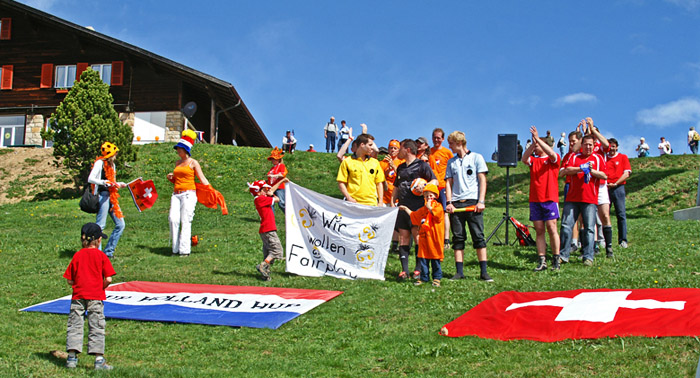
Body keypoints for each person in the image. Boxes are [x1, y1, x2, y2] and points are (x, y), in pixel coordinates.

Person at [63, 223, 116, 370]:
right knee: (96, 325)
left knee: (75, 324)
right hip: (95, 296)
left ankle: (72, 357)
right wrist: (101, 286)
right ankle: (99, 359)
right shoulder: (101, 256)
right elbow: (109, 278)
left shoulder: (77, 255)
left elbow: (69, 279)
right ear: (99, 240)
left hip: (78, 296)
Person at [444, 131, 493, 282]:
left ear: (459, 143)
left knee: (478, 236)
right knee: (458, 238)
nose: (449, 146)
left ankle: (484, 272)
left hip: (473, 203)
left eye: (451, 143)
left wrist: (481, 201)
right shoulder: (452, 162)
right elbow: (448, 182)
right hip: (457, 204)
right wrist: (449, 202)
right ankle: (459, 272)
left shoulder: (477, 158)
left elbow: (482, 180)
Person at [392, 139, 437, 280]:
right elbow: (396, 186)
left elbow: (434, 181)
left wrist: (424, 186)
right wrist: (393, 201)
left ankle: (418, 269)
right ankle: (404, 271)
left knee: (417, 236)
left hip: (417, 208)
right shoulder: (400, 167)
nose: (399, 151)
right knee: (403, 237)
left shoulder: (422, 165)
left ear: (408, 150)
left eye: (401, 148)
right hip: (402, 207)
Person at [558, 134, 607, 266]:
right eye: (586, 144)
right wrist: (581, 168)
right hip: (573, 197)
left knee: (589, 228)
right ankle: (563, 255)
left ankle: (588, 257)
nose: (588, 147)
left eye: (591, 144)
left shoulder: (598, 158)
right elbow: (565, 171)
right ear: (582, 145)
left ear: (594, 145)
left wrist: (591, 171)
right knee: (566, 226)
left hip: (590, 198)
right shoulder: (574, 157)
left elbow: (604, 175)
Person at [522, 125, 561, 271]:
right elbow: (524, 159)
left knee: (552, 228)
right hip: (535, 199)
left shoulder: (553, 159)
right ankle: (542, 260)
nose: (536, 147)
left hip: (550, 199)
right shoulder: (534, 160)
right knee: (539, 229)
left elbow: (551, 154)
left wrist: (539, 139)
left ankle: (556, 259)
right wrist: (533, 144)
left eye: (538, 145)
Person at [166, 130, 210, 256]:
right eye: (177, 149)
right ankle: (175, 249)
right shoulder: (177, 163)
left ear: (186, 150)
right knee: (173, 219)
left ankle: (184, 250)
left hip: (188, 194)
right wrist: (172, 179)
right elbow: (177, 180)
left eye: (180, 149)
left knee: (185, 220)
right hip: (176, 194)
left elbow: (202, 178)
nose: (178, 151)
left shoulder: (193, 162)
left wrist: (211, 191)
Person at [399, 183, 444, 287]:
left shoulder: (438, 207)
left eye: (431, 195)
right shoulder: (423, 209)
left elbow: (437, 216)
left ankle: (437, 278)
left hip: (434, 239)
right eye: (426, 196)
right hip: (424, 239)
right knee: (423, 259)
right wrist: (405, 209)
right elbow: (414, 216)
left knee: (435, 258)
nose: (429, 198)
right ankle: (424, 277)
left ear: (435, 196)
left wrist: (429, 207)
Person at [87, 141, 126, 259]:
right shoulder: (100, 163)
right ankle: (97, 255)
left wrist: (118, 184)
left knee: (121, 224)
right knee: (100, 225)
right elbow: (91, 179)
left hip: (112, 196)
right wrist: (103, 182)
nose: (116, 156)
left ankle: (108, 252)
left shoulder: (112, 165)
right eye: (115, 154)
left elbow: (112, 182)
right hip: (103, 196)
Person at [249, 178, 289, 281]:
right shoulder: (260, 199)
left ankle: (264, 274)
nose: (267, 191)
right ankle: (263, 265)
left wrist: (281, 181)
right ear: (259, 191)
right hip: (269, 229)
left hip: (265, 229)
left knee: (268, 253)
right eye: (264, 190)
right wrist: (271, 194)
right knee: (277, 251)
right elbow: (277, 199)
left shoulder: (260, 198)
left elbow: (272, 191)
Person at [337, 134, 385, 206]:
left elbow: (379, 183)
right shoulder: (347, 162)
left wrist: (380, 201)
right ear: (362, 145)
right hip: (353, 204)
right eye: (370, 145)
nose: (372, 148)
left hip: (371, 204)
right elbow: (341, 182)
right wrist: (348, 198)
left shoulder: (375, 162)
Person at [428, 128, 454, 250]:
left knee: (444, 212)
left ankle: (446, 240)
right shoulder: (429, 152)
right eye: (434, 137)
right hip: (432, 187)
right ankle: (433, 238)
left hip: (443, 186)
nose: (436, 140)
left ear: (443, 139)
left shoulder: (447, 153)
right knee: (431, 212)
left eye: (439, 137)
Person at [606, 138, 631, 249]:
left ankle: (623, 240)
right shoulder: (604, 158)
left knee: (621, 214)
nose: (611, 148)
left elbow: (626, 173)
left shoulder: (622, 157)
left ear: (617, 147)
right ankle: (605, 241)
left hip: (618, 187)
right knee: (604, 215)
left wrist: (616, 183)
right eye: (609, 146)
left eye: (613, 146)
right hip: (606, 188)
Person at [266, 147, 288, 213]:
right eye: (272, 159)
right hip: (271, 187)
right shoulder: (272, 168)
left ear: (278, 159)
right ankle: (271, 218)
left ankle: (289, 216)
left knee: (282, 203)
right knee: (270, 203)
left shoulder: (281, 166)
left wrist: (273, 176)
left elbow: (283, 175)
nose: (273, 160)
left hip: (279, 187)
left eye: (274, 159)